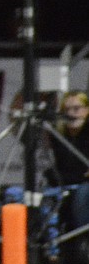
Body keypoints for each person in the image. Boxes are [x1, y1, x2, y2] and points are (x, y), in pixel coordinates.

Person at [48, 91, 89, 234]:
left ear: (86, 110)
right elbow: (55, 169)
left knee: (83, 193)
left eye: (76, 109)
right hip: (64, 181)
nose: (71, 114)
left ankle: (82, 237)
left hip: (84, 186)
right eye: (67, 110)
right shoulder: (58, 136)